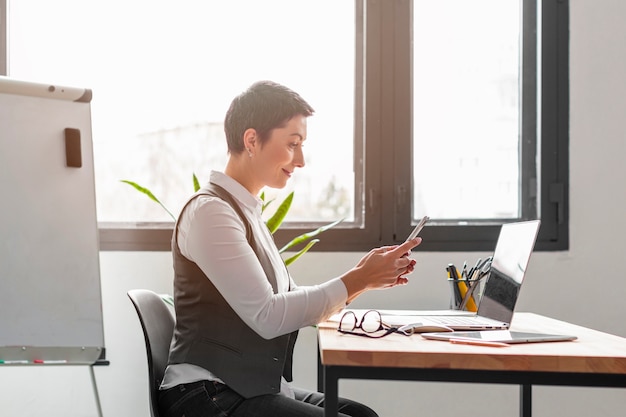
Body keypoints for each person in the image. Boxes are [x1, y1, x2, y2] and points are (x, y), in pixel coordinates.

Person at [158, 80, 422, 417]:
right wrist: (357, 278)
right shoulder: (212, 212)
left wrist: (364, 280)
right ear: (251, 140)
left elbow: (289, 299)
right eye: (292, 144)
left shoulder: (244, 211)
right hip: (206, 394)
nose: (300, 160)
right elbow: (269, 316)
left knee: (362, 415)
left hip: (246, 386)